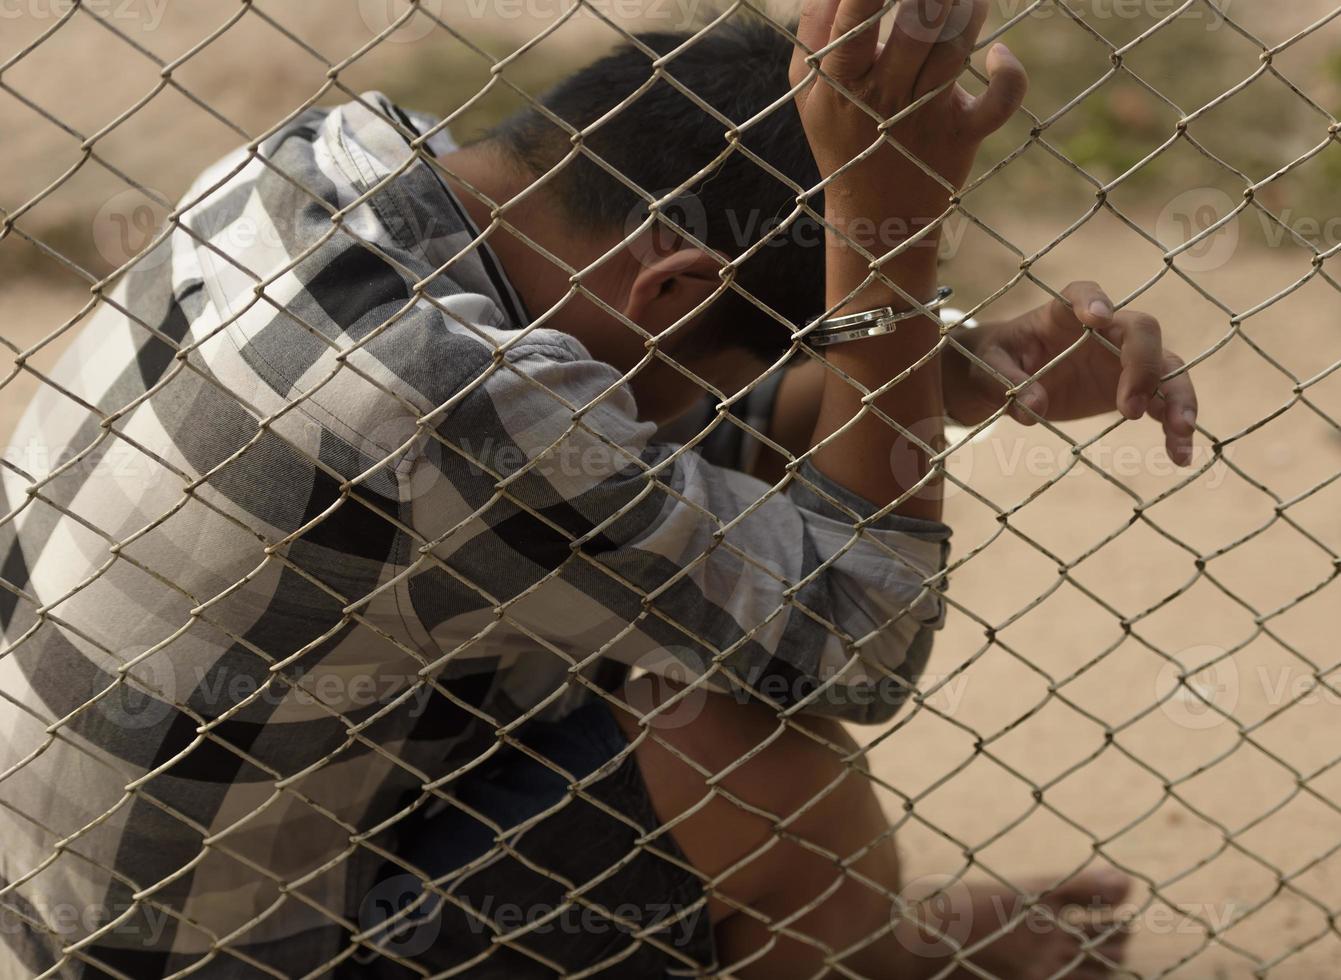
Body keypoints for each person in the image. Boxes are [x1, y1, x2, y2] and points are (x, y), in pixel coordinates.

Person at [0, 1, 1199, 977]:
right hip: (186, 952)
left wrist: (952, 366)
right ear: (672, 286)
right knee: (768, 759)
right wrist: (888, 236)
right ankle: (844, 935)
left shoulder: (333, 156)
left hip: (80, 872)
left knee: (680, 566)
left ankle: (854, 931)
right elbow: (860, 635)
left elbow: (623, 453)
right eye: (711, 358)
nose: (673, 409)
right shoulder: (450, 403)